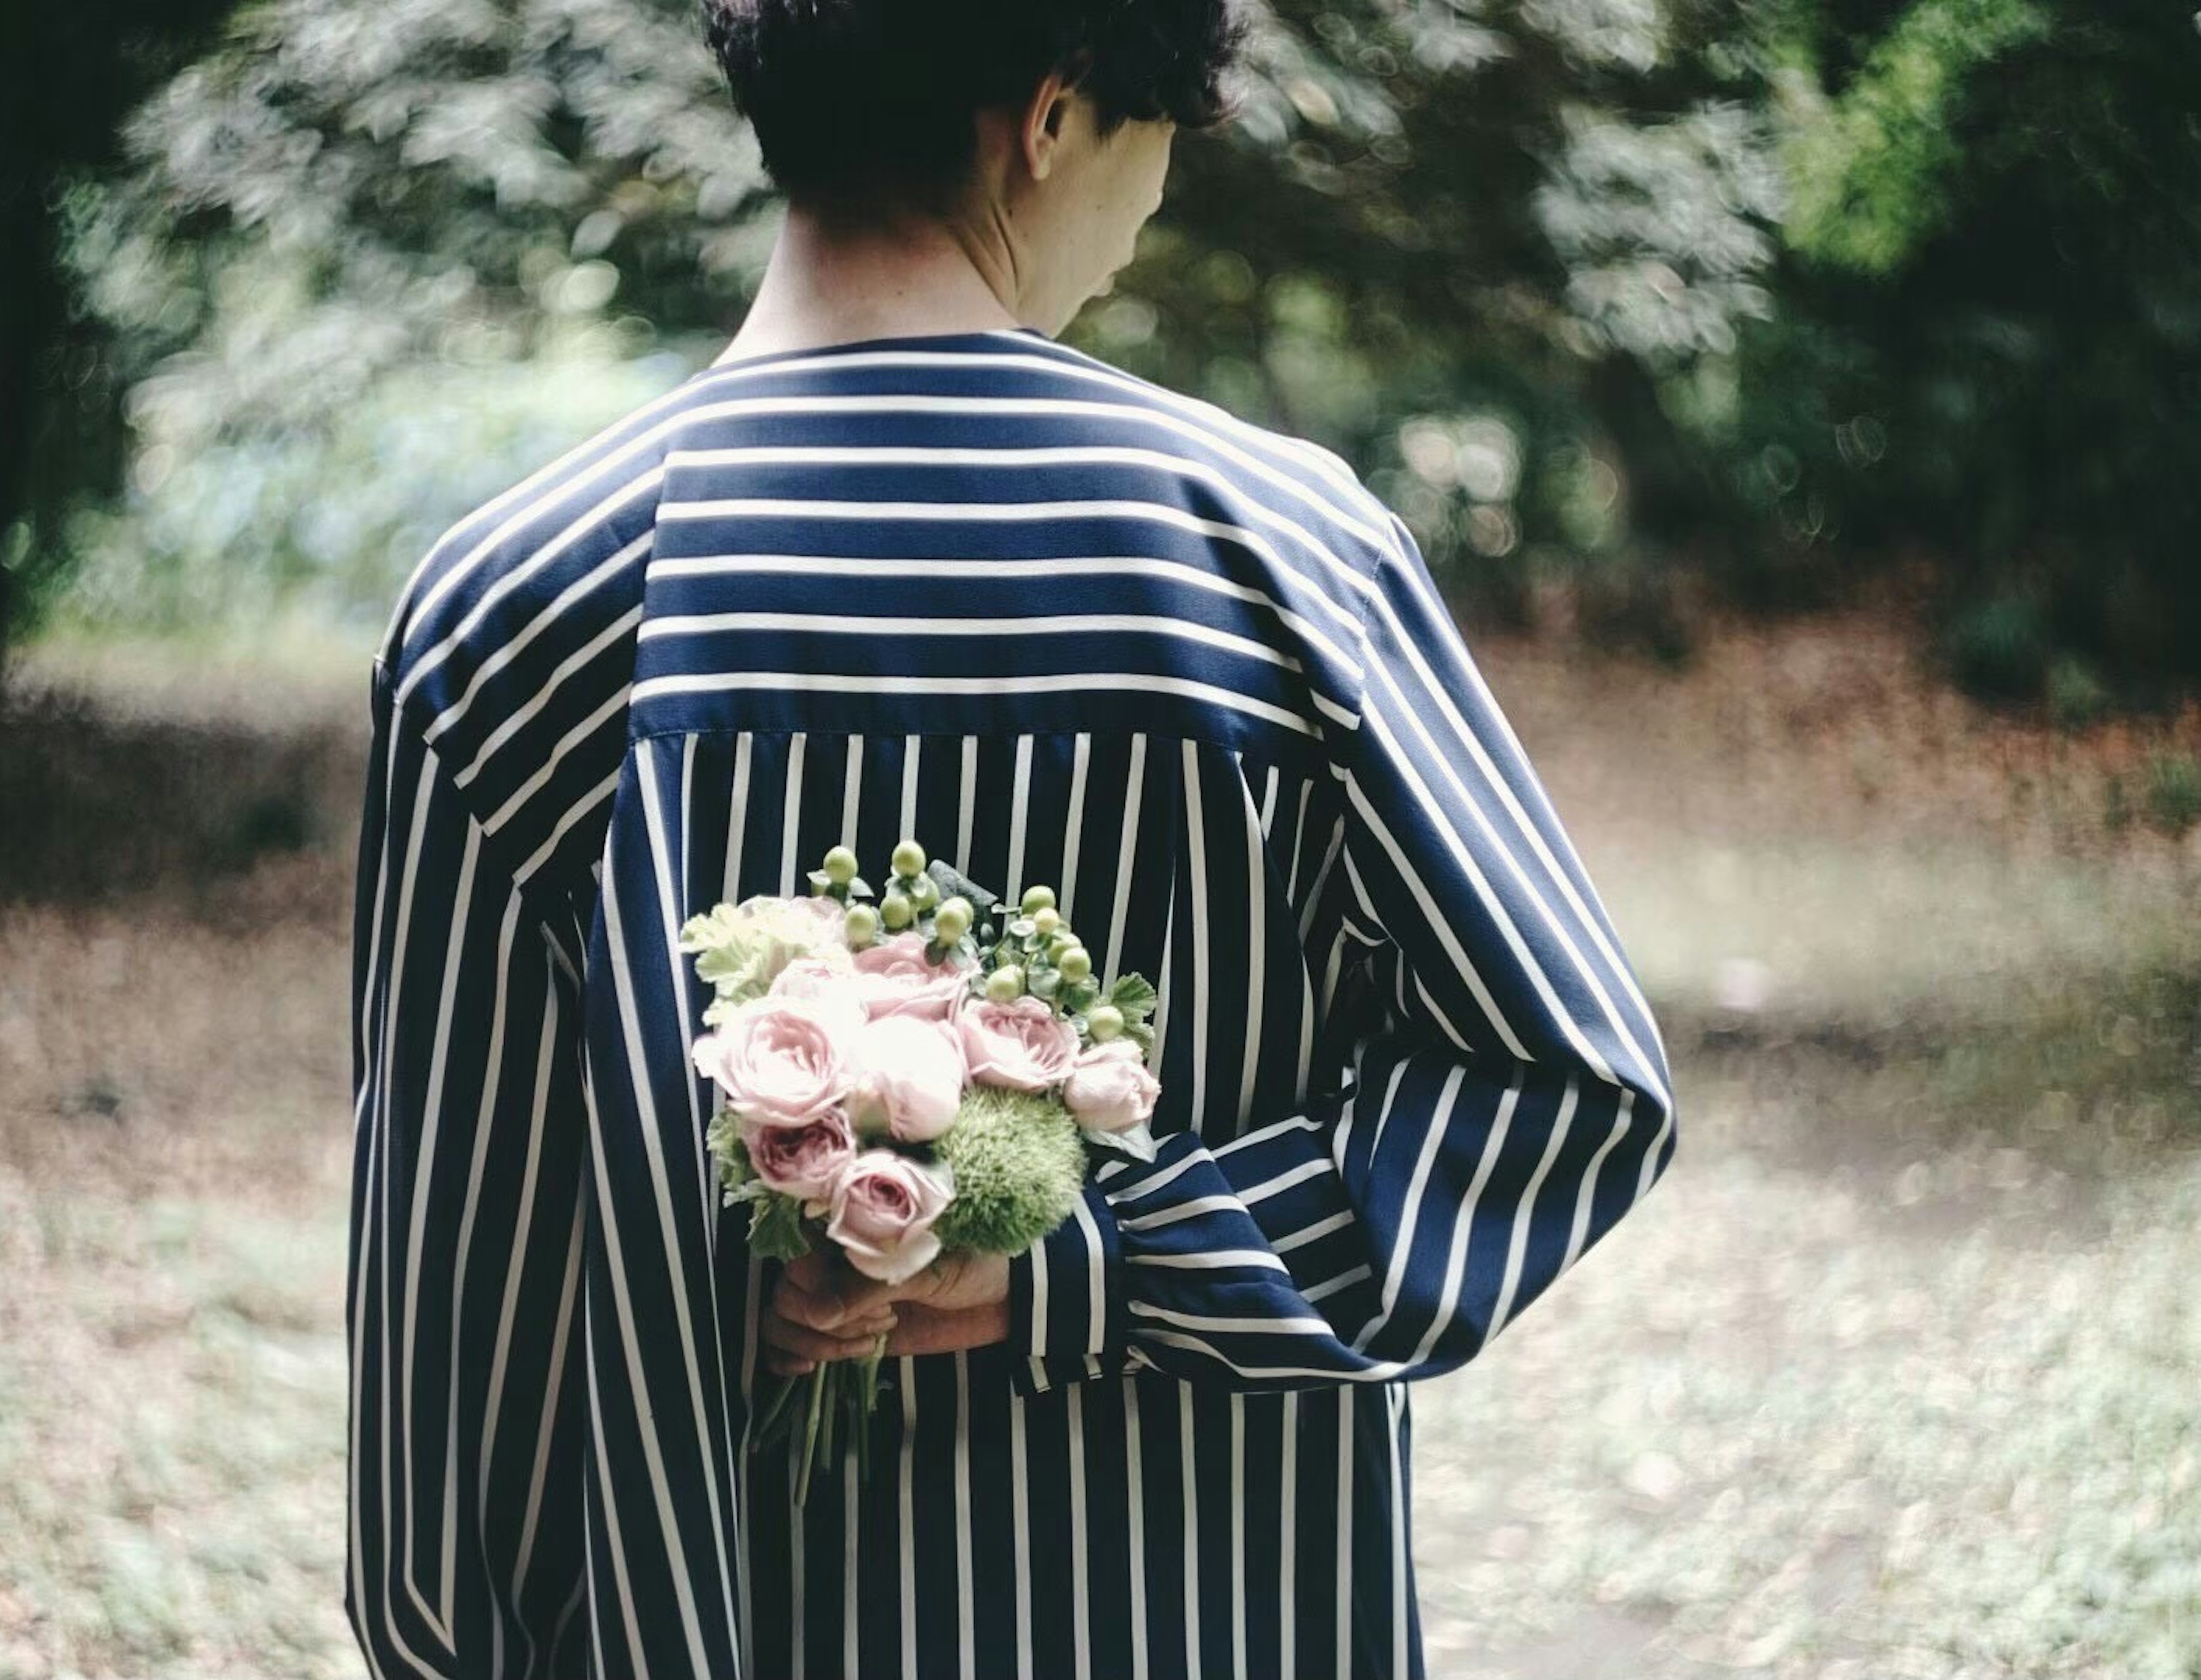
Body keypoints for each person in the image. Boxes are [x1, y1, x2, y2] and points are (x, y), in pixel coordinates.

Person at [344, 1, 1678, 1675]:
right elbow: (1564, 1083)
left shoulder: (507, 618)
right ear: (1049, 119)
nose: (1153, 208)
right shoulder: (1284, 564)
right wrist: (1100, 1270)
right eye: (1156, 142)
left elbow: (450, 1366)